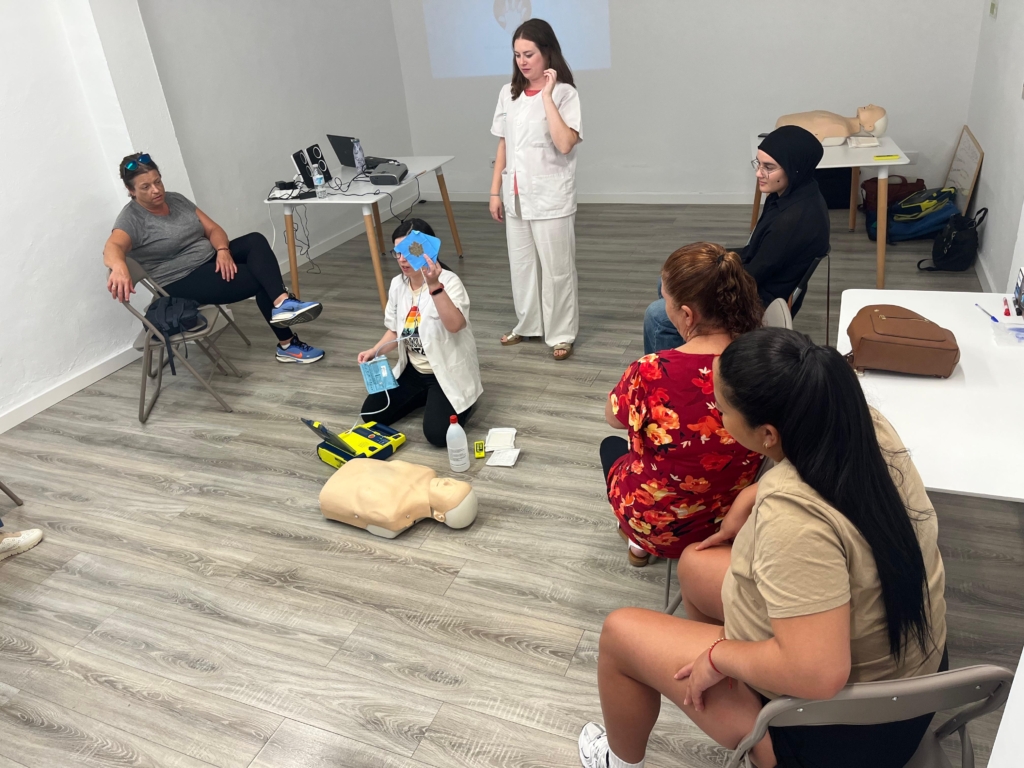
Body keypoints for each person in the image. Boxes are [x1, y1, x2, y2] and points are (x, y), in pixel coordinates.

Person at [580, 327, 947, 768]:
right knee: (695, 564)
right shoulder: (856, 421)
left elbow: (820, 673)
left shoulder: (792, 519)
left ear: (768, 434)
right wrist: (749, 495)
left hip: (839, 733)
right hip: (912, 677)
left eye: (721, 409)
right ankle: (734, 686)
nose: (717, 414)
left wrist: (720, 656)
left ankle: (617, 760)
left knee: (618, 635)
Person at [601, 243, 764, 567]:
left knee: (612, 446)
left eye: (666, 301)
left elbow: (613, 418)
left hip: (658, 525)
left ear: (687, 314)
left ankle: (638, 545)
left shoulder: (650, 371)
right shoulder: (763, 364)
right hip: (733, 518)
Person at [104, 153, 325, 364]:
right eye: (146, 187)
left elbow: (213, 229)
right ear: (131, 190)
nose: (156, 190)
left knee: (255, 240)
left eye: (158, 182)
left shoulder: (176, 199)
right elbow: (112, 247)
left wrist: (222, 250)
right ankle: (288, 345)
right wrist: (119, 267)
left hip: (210, 259)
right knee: (261, 279)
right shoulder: (132, 218)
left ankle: (282, 303)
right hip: (180, 280)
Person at [643, 126, 829, 354]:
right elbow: (754, 252)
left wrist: (703, 277)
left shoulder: (793, 221)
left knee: (657, 315)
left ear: (794, 168)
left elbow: (752, 277)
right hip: (756, 281)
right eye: (758, 164)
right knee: (669, 280)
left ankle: (671, 371)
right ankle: (692, 349)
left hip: (758, 300)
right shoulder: (791, 192)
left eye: (769, 167)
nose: (758, 173)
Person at [489, 19, 582, 361]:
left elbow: (565, 143)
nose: (523, 61)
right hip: (515, 195)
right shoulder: (508, 93)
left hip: (551, 196)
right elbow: (503, 145)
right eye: (517, 55)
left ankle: (561, 333)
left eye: (529, 54)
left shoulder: (564, 94)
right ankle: (528, 324)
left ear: (547, 52)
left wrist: (546, 97)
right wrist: (495, 191)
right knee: (522, 266)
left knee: (557, 270)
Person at [358, 219, 483, 448]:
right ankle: (425, 396)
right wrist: (374, 351)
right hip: (414, 370)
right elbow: (395, 331)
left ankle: (458, 401)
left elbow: (455, 325)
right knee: (371, 414)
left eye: (408, 252)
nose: (402, 259)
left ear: (426, 250)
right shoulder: (398, 284)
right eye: (397, 253)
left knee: (438, 435)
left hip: (445, 371)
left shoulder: (449, 282)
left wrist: (434, 285)